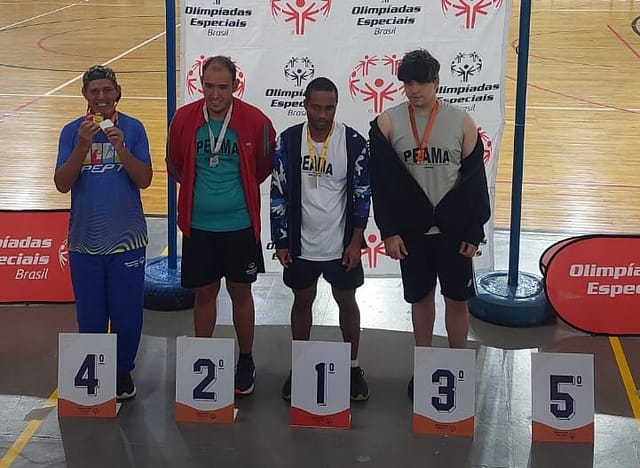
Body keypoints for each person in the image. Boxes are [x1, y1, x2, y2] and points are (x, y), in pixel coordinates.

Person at [368, 49, 491, 397]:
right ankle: (424, 366)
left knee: (457, 300)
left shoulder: (462, 122)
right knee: (420, 300)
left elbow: (475, 181)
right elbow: (381, 184)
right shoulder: (387, 123)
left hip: (454, 232)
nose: (414, 90)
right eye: (408, 82)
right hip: (413, 233)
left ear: (436, 82)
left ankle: (457, 367)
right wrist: (389, 231)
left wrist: (474, 231)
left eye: (421, 82)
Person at [166, 56, 276, 396]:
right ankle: (203, 357)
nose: (215, 95)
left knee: (241, 293)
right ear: (200, 84)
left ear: (235, 86)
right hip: (199, 227)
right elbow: (175, 164)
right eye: (209, 86)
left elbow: (263, 166)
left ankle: (246, 359)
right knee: (204, 293)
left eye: (223, 87)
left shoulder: (255, 121)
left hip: (239, 226)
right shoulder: (183, 119)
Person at [54, 65, 153, 400]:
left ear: (117, 93)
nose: (101, 97)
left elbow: (144, 179)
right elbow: (62, 184)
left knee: (127, 313)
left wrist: (122, 149)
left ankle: (122, 371)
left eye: (106, 90)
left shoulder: (134, 128)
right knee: (90, 315)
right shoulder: (71, 132)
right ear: (84, 94)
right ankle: (94, 371)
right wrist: (82, 147)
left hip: (128, 241)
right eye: (94, 91)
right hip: (84, 243)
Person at [271, 77, 371, 401]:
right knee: (302, 301)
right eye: (316, 107)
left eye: (329, 108)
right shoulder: (288, 141)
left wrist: (356, 242)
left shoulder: (353, 142)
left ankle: (353, 367)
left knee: (347, 301)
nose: (323, 115)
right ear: (305, 105)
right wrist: (281, 240)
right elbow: (278, 192)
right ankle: (300, 365)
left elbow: (362, 195)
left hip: (340, 246)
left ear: (336, 107)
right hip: (301, 244)